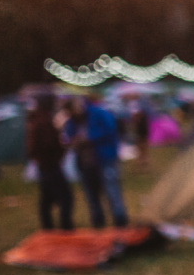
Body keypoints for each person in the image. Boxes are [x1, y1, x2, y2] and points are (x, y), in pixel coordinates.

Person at [63, 94, 128, 228]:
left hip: (105, 158)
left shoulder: (98, 113)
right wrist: (72, 140)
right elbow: (69, 136)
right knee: (91, 194)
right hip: (85, 162)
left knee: (111, 191)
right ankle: (98, 221)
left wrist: (89, 137)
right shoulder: (72, 121)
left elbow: (110, 128)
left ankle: (120, 220)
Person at [26, 94, 74, 230]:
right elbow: (48, 144)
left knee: (46, 201)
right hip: (50, 166)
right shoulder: (43, 122)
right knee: (66, 198)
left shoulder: (34, 121)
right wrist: (61, 146)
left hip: (44, 166)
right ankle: (66, 228)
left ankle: (48, 229)